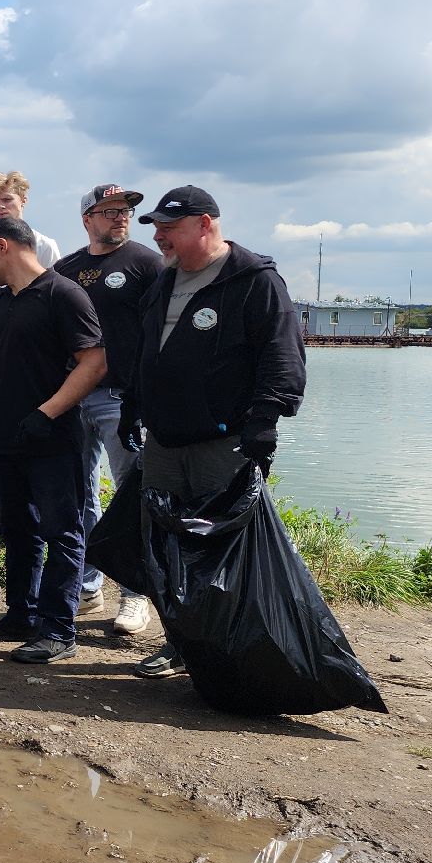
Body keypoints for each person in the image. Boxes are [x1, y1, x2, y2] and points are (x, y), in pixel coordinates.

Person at [127, 185, 305, 679]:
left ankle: (228, 646)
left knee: (217, 550)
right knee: (167, 547)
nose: (159, 236)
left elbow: (282, 353)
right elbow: (150, 352)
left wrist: (266, 418)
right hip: (164, 439)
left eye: (170, 228)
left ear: (205, 224)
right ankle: (180, 643)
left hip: (222, 441)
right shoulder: (165, 281)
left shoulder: (253, 281)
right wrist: (133, 406)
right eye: (157, 228)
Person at [0, 217, 107, 663]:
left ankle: (59, 629)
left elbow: (94, 362)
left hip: (54, 437)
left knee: (62, 530)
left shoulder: (63, 294)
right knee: (17, 529)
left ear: (3, 246)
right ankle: (20, 614)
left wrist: (48, 412)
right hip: (6, 438)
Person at [54, 184, 165, 633]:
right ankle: (87, 583)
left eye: (124, 210)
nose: (120, 217)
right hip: (73, 395)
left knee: (130, 495)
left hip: (124, 400)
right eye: (109, 211)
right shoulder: (66, 269)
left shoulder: (145, 263)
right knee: (78, 493)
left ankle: (135, 596)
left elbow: (163, 330)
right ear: (87, 219)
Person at [0, 171, 63, 280]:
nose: (1, 206)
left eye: (7, 200)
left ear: (23, 200)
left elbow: (55, 288)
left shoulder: (44, 246)